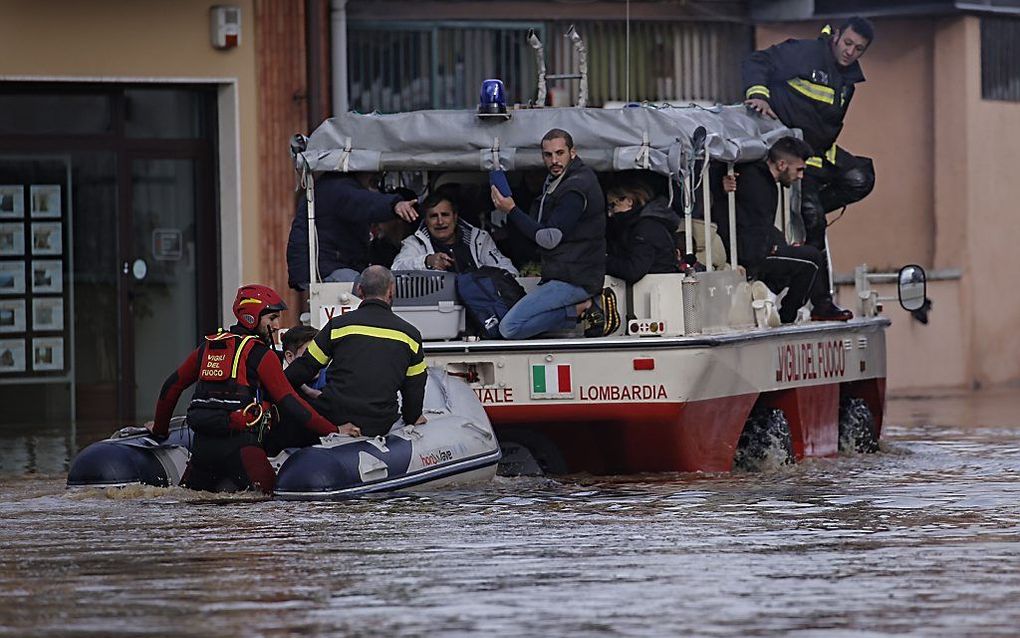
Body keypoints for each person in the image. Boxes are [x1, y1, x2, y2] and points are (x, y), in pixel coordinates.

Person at [148, 285, 358, 495]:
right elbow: (290, 402)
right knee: (273, 499)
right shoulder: (260, 354)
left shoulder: (208, 347)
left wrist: (160, 429)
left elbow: (171, 387)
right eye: (272, 318)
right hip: (240, 447)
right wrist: (334, 430)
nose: (277, 326)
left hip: (202, 449)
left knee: (188, 501)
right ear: (251, 318)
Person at [742, 16, 876, 250]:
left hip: (819, 152)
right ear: (836, 36)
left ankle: (800, 210)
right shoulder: (804, 53)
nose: (850, 52)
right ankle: (812, 271)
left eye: (858, 49)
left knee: (861, 179)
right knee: (813, 218)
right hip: (791, 152)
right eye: (847, 43)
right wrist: (759, 96)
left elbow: (827, 126)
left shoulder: (847, 80)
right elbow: (758, 60)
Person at [490, 128, 619, 339]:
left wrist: (511, 210)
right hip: (568, 275)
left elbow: (550, 239)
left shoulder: (575, 188)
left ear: (572, 152)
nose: (554, 160)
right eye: (548, 155)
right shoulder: (562, 180)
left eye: (560, 153)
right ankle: (582, 308)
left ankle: (584, 308)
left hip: (575, 279)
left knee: (509, 328)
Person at [713, 136, 853, 324]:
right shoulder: (752, 176)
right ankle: (787, 315)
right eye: (799, 170)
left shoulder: (767, 183)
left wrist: (780, 244)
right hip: (751, 254)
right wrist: (721, 186)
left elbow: (759, 223)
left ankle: (767, 294)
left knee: (796, 256)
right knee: (812, 259)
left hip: (759, 249)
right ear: (781, 164)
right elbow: (728, 201)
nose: (801, 176)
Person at [285, 266, 428, 438]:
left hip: (334, 416)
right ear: (391, 291)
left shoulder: (337, 326)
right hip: (379, 423)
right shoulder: (410, 336)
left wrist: (275, 391)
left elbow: (304, 368)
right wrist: (413, 417)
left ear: (359, 291)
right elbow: (414, 388)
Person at [286, 172, 419, 289]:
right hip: (329, 267)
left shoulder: (332, 185)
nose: (374, 183)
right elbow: (364, 202)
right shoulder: (339, 188)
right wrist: (394, 205)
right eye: (373, 179)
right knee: (370, 292)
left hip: (324, 266)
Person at [391, 192, 518, 274]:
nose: (440, 221)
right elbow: (396, 269)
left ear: (455, 216)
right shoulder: (414, 243)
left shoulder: (479, 238)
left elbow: (509, 271)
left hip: (479, 310)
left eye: (445, 215)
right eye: (434, 216)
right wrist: (427, 261)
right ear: (426, 219)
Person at [604, 179, 681, 283]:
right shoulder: (646, 223)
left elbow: (634, 270)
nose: (610, 213)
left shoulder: (644, 228)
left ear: (629, 201)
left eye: (613, 205)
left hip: (655, 288)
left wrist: (603, 261)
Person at [281, 325, 326, 400]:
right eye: (310, 353)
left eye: (319, 351)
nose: (317, 358)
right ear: (289, 356)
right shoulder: (282, 386)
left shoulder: (332, 379)